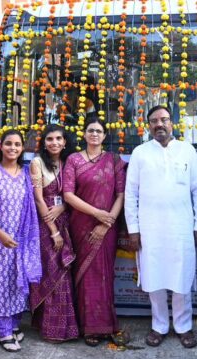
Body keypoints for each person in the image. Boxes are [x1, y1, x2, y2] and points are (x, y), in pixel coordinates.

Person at [124, 105, 197, 349]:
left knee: (181, 278)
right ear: (148, 126)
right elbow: (131, 195)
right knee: (154, 276)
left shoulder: (187, 151)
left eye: (164, 119)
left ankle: (183, 326)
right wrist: (133, 229)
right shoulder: (140, 153)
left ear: (173, 123)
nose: (159, 124)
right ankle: (159, 325)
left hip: (181, 226)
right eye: (154, 121)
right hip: (150, 229)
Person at [63, 117, 127, 346]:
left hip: (106, 227)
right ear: (84, 134)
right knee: (84, 275)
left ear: (105, 135)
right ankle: (88, 327)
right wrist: (96, 214)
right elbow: (68, 195)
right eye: (91, 130)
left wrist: (106, 222)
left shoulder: (114, 161)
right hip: (81, 225)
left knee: (103, 275)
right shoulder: (73, 160)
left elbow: (121, 195)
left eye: (99, 131)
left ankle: (106, 326)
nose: (94, 135)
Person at [0, 130, 41, 352]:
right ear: (0, 147)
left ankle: (13, 325)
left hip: (21, 238)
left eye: (17, 144)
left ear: (22, 148)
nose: (13, 148)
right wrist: (0, 235)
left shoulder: (25, 173)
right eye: (8, 144)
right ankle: (3, 332)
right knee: (0, 282)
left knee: (17, 280)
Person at [28, 124, 78, 343]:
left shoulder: (69, 162)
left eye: (59, 138)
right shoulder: (37, 162)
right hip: (45, 223)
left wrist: (64, 208)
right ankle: (50, 327)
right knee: (52, 270)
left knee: (65, 272)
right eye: (50, 139)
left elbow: (72, 194)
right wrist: (54, 231)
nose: (54, 143)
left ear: (65, 142)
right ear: (44, 142)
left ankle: (67, 327)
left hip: (66, 220)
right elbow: (38, 199)